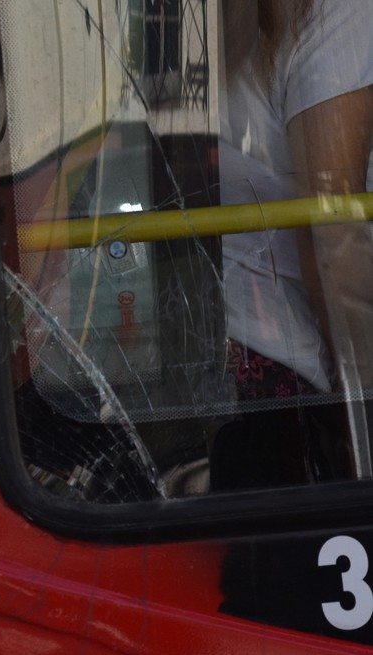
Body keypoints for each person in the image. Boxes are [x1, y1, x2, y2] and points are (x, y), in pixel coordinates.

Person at [212, 0, 373, 489]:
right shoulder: (342, 12)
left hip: (240, 360)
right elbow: (331, 233)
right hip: (298, 381)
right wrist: (365, 402)